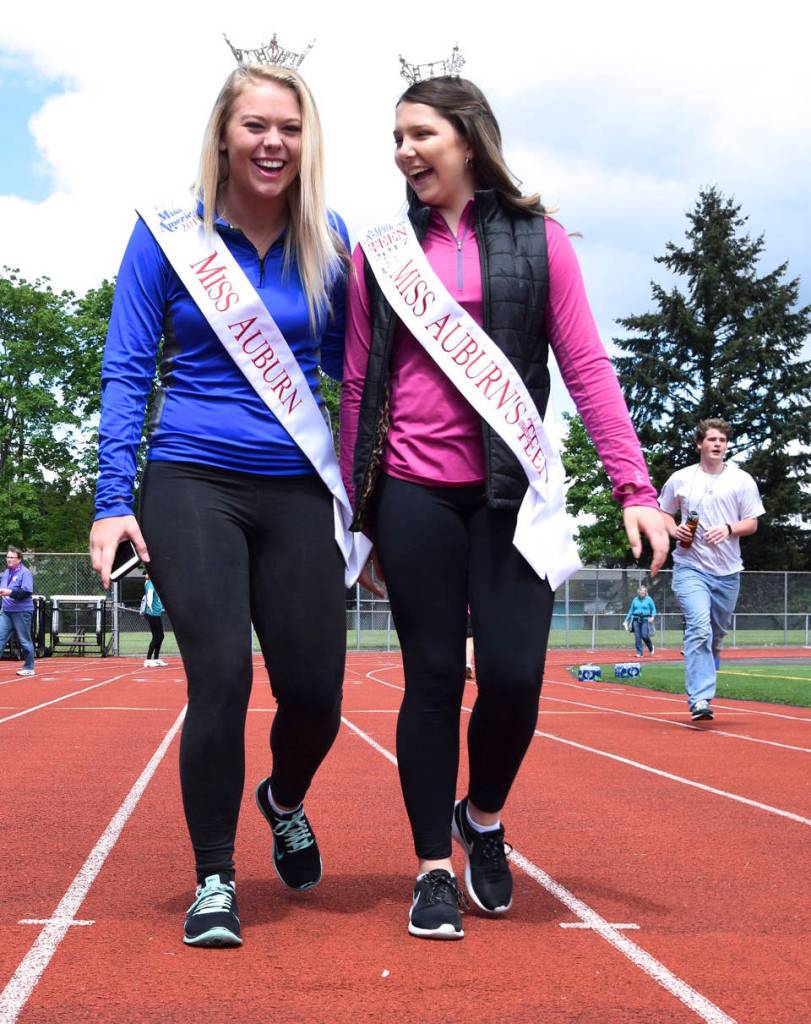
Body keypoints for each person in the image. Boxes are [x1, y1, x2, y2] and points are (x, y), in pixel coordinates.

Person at [340, 73, 669, 940]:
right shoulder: (378, 251)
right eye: (398, 137)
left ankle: (480, 816)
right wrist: (356, 516)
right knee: (434, 681)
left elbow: (588, 369)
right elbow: (354, 385)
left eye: (421, 134)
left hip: (511, 498)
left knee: (517, 680)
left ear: (467, 137)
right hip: (411, 492)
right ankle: (429, 869)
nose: (405, 151)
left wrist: (633, 486)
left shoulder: (539, 238)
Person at [89, 59, 350, 948]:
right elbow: (126, 369)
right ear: (224, 136)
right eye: (256, 126)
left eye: (290, 127)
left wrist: (376, 497)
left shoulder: (332, 240)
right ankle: (213, 875)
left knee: (316, 694)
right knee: (223, 679)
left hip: (297, 486)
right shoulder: (168, 237)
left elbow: (360, 382)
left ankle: (281, 797)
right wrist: (108, 500)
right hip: (191, 476)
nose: (273, 143)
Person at [659, 418, 764, 722]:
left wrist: (729, 528)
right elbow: (663, 512)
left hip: (728, 572)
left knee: (715, 636)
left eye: (722, 440)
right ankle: (700, 699)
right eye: (712, 439)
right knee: (699, 629)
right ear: (699, 444)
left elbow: (753, 523)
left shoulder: (741, 480)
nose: (718, 444)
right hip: (690, 567)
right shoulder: (680, 479)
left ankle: (708, 656)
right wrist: (675, 529)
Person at [0, 546, 36, 677]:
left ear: (19, 559)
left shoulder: (25, 573)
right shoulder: (6, 573)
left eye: (11, 557)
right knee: (0, 638)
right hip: (6, 611)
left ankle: (29, 667)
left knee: (24, 640)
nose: (8, 560)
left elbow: (26, 592)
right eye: (7, 557)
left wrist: (11, 592)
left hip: (21, 611)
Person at [142, 573, 168, 667]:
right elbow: (149, 595)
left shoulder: (153, 583)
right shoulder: (150, 583)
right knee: (157, 636)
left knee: (160, 636)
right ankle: (148, 659)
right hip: (152, 614)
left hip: (156, 613)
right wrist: (150, 607)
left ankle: (156, 658)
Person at [623, 584, 656, 656]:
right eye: (641, 591)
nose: (642, 592)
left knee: (644, 635)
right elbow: (631, 611)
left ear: (645, 592)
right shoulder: (635, 599)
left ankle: (651, 647)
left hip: (645, 619)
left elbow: (653, 609)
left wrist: (652, 617)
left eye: (644, 591)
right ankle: (639, 653)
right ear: (638, 592)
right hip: (635, 619)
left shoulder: (649, 599)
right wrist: (626, 620)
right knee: (637, 636)